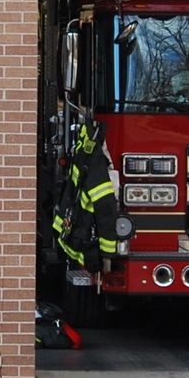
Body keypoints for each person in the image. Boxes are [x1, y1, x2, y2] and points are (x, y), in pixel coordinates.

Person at [50, 117, 121, 279]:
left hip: (73, 231)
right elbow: (105, 207)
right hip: (84, 235)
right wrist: (108, 253)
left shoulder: (85, 145)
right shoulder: (95, 161)